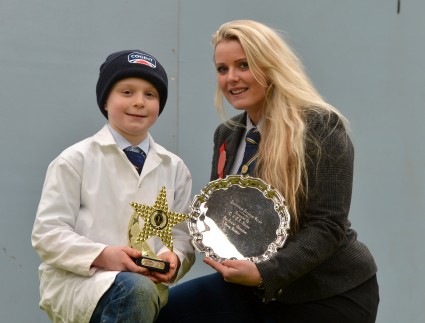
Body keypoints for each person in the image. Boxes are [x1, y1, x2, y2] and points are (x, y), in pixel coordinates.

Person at [156, 20, 379, 323]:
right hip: (254, 290)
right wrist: (175, 253)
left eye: (244, 65)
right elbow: (222, 218)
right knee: (163, 312)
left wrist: (264, 273)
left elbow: (327, 226)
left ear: (270, 67)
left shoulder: (321, 127)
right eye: (222, 69)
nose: (231, 78)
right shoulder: (227, 135)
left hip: (328, 294)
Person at [31, 49, 195, 323]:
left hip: (145, 289)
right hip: (84, 285)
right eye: (127, 92)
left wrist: (173, 258)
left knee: (144, 290)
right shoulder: (75, 160)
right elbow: (47, 234)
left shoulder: (174, 168)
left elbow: (183, 236)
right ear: (105, 100)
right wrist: (104, 255)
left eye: (150, 94)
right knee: (136, 288)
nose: (139, 102)